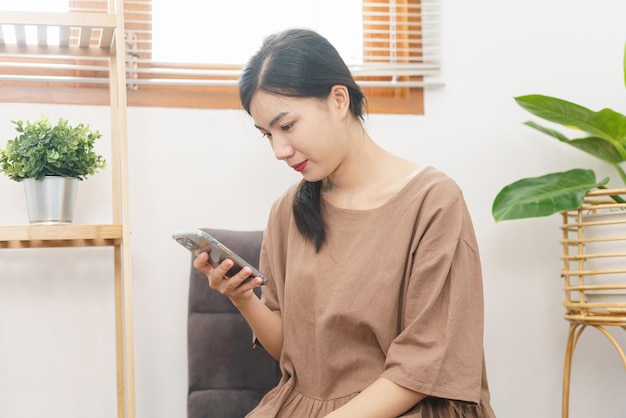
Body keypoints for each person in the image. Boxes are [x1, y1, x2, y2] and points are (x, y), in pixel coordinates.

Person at [194, 28, 496, 418]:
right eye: (267, 134)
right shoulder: (287, 211)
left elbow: (424, 365)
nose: (279, 150)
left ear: (338, 100)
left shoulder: (433, 202)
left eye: (287, 126)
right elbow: (295, 349)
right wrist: (240, 297)